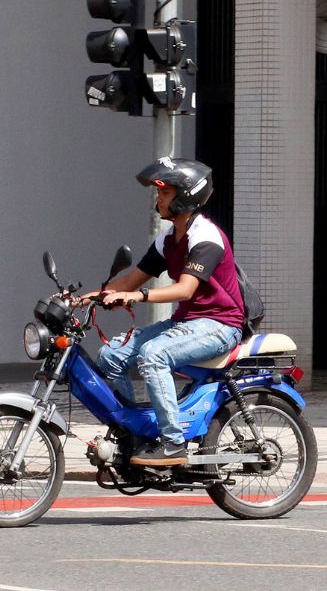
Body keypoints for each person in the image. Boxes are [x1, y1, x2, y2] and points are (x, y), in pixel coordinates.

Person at [85, 157, 244, 467]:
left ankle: (173, 443)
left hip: (220, 325)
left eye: (165, 193)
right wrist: (87, 297)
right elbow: (131, 279)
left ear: (186, 197)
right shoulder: (169, 240)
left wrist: (137, 296)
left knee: (154, 354)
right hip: (187, 323)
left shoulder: (206, 237)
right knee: (111, 355)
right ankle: (134, 433)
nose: (158, 199)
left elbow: (185, 290)